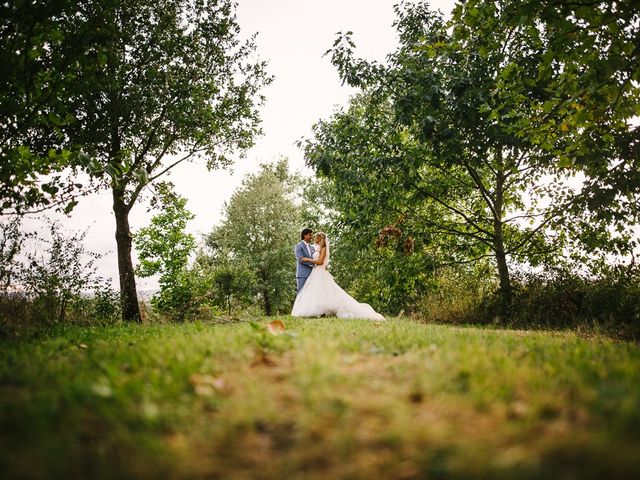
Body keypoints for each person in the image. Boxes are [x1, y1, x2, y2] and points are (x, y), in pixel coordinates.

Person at [292, 232, 384, 321]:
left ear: (320, 238)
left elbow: (320, 261)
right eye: (311, 235)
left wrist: (308, 259)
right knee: (315, 292)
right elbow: (307, 259)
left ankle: (322, 312)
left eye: (315, 236)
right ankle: (313, 312)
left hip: (318, 271)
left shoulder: (322, 248)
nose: (313, 237)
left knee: (323, 292)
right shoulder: (313, 247)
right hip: (314, 272)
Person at [294, 228, 315, 294]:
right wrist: (312, 264)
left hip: (312, 274)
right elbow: (300, 259)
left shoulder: (312, 247)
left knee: (310, 295)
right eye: (310, 235)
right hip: (302, 275)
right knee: (301, 294)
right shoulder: (298, 246)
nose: (311, 237)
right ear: (305, 236)